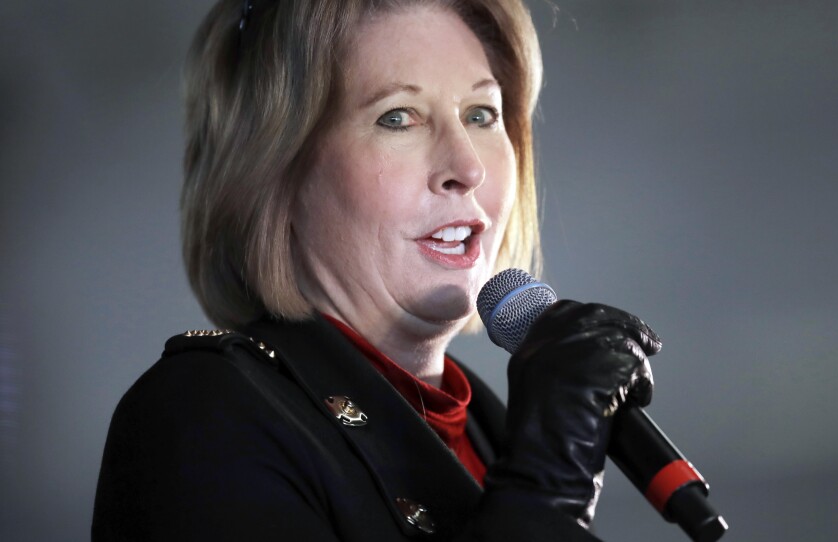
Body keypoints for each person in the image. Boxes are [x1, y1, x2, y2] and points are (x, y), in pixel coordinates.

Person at [92, 1, 661, 540]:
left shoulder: (492, 435)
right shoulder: (197, 416)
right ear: (275, 175)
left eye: (482, 114)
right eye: (398, 118)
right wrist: (547, 487)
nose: (466, 166)